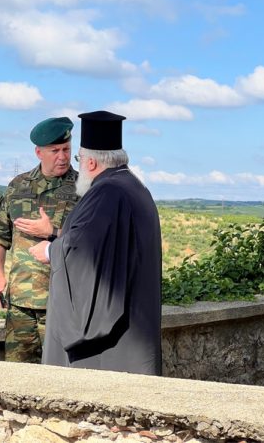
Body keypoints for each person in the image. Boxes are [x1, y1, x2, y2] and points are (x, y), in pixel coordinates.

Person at [29, 110, 162, 374]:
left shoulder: (108, 192)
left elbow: (85, 251)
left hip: (116, 343)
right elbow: (104, 242)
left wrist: (51, 250)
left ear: (90, 163)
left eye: (78, 158)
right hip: (136, 319)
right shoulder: (133, 185)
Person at [0, 117, 79, 363]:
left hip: (61, 303)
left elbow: (91, 241)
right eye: (55, 151)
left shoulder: (83, 188)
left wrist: (53, 231)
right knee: (18, 374)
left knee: (60, 373)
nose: (62, 157)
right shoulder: (18, 186)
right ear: (39, 152)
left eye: (66, 149)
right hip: (20, 304)